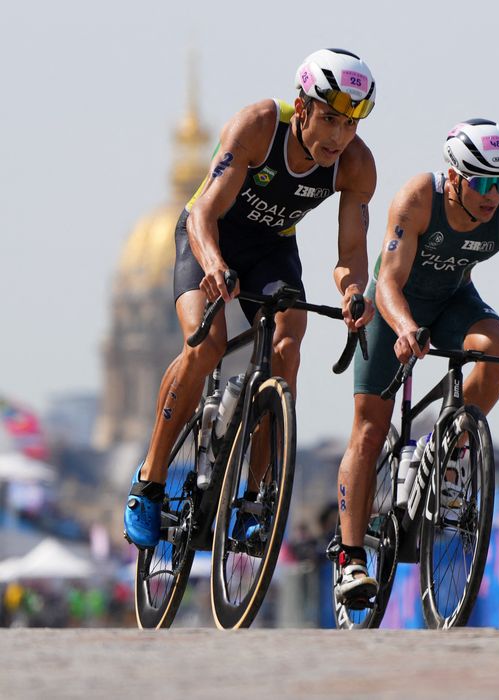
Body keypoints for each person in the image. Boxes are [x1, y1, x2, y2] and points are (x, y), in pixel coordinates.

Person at [123, 48, 378, 548]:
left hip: (271, 249)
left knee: (286, 349)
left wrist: (352, 291)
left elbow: (351, 251)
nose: (337, 137)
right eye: (328, 119)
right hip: (208, 239)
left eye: (350, 124)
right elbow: (202, 215)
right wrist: (215, 265)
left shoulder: (356, 164)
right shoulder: (259, 126)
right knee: (207, 344)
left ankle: (255, 498)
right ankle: (149, 483)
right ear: (301, 107)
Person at [333, 119, 499, 603]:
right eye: (483, 183)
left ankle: (447, 446)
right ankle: (350, 558)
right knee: (370, 427)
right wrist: (406, 327)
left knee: (498, 349)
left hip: (455, 300)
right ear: (453, 177)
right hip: (395, 305)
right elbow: (387, 279)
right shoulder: (417, 198)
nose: (493, 195)